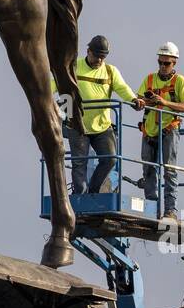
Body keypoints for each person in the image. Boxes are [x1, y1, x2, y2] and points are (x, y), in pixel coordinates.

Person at [57, 35, 143, 195]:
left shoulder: (110, 71)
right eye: (96, 56)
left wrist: (133, 99)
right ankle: (80, 197)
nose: (99, 60)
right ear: (88, 51)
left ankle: (94, 192)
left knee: (110, 159)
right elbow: (54, 83)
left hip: (102, 126)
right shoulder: (74, 67)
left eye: (103, 57)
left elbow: (122, 88)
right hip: (78, 125)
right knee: (79, 164)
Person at [137, 41, 184, 221]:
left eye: (166, 63)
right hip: (150, 130)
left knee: (169, 170)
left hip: (169, 130)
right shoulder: (150, 79)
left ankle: (170, 211)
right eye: (160, 62)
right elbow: (138, 102)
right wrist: (148, 101)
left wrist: (164, 102)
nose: (162, 66)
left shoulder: (180, 82)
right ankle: (151, 209)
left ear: (174, 63)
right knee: (149, 170)